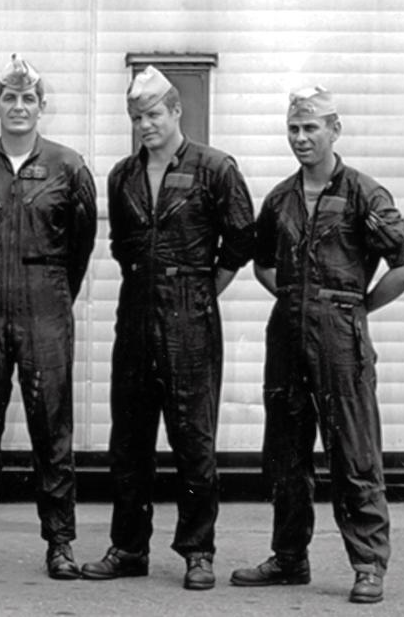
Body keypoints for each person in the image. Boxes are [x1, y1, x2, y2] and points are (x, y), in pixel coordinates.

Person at [230, 87, 404, 605]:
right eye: (293, 128)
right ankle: (290, 559)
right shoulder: (281, 198)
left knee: (353, 452)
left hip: (340, 340)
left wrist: (352, 308)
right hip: (287, 336)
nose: (301, 138)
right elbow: (262, 262)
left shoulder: (364, 194)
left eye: (311, 128)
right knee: (286, 455)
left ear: (335, 129)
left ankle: (368, 565)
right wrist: (295, 297)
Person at [82, 65, 255, 591]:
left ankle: (197, 551)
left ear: (177, 111)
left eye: (154, 114)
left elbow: (242, 242)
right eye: (137, 117)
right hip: (135, 320)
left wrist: (199, 291)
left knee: (193, 441)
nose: (145, 125)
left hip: (191, 325)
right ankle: (129, 547)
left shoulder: (215, 168)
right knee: (129, 441)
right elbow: (122, 247)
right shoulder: (122, 176)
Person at [0, 54, 97, 581]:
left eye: (28, 98)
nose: (18, 107)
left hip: (46, 309)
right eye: (9, 98)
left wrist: (52, 290)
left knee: (52, 430)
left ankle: (59, 544)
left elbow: (80, 246)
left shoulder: (68, 166)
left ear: (41, 108)